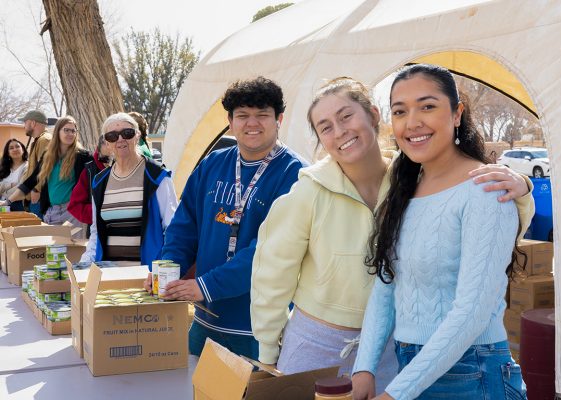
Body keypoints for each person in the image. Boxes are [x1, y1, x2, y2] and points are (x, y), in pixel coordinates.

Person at [250, 77, 534, 382]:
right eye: (326, 127)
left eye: (346, 116)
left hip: (391, 350)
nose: (340, 131)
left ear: (373, 115)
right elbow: (271, 277)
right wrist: (268, 353)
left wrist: (522, 190)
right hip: (314, 349)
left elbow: (494, 231)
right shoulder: (307, 193)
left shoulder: (416, 180)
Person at [352, 64, 527, 399]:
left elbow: (472, 311)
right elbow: (385, 287)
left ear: (457, 114)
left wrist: (395, 393)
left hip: (472, 373)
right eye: (400, 111)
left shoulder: (485, 189)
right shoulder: (404, 191)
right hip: (413, 367)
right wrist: (365, 367)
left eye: (427, 106)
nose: (413, 122)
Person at [153, 77, 307, 358]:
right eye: (243, 116)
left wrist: (207, 285)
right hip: (205, 318)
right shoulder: (212, 164)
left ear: (279, 119)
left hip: (258, 329)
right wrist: (168, 272)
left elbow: (270, 251)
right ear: (230, 121)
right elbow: (184, 227)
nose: (252, 123)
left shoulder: (295, 174)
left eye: (262, 115)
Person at [80, 112, 177, 265]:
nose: (120, 139)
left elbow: (172, 227)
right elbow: (96, 232)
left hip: (147, 275)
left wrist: (163, 268)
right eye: (112, 136)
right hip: (109, 276)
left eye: (127, 133)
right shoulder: (99, 182)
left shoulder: (157, 176)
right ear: (106, 142)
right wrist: (84, 264)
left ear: (137, 136)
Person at [2, 116, 92, 232]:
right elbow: (31, 181)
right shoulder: (48, 156)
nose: (70, 134)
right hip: (52, 212)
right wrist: (7, 202)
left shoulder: (83, 156)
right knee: (53, 249)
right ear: (57, 132)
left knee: (75, 249)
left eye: (73, 131)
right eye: (66, 130)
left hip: (73, 213)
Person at [67, 135, 112, 231]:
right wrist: (98, 213)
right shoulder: (90, 171)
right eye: (107, 143)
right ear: (99, 149)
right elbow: (75, 205)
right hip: (97, 232)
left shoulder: (134, 168)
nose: (111, 147)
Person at [19, 109, 52, 217]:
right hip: (36, 197)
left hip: (39, 197)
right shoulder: (39, 140)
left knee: (40, 233)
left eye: (25, 122)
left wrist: (36, 189)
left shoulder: (44, 140)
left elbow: (45, 167)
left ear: (33, 123)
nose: (24, 126)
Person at [0, 139, 28, 211]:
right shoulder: (4, 167)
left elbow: (22, 187)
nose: (15, 149)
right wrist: (11, 185)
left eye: (17, 146)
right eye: (11, 148)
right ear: (8, 153)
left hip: (18, 204)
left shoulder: (28, 166)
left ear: (23, 150)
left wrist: (4, 189)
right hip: (2, 204)